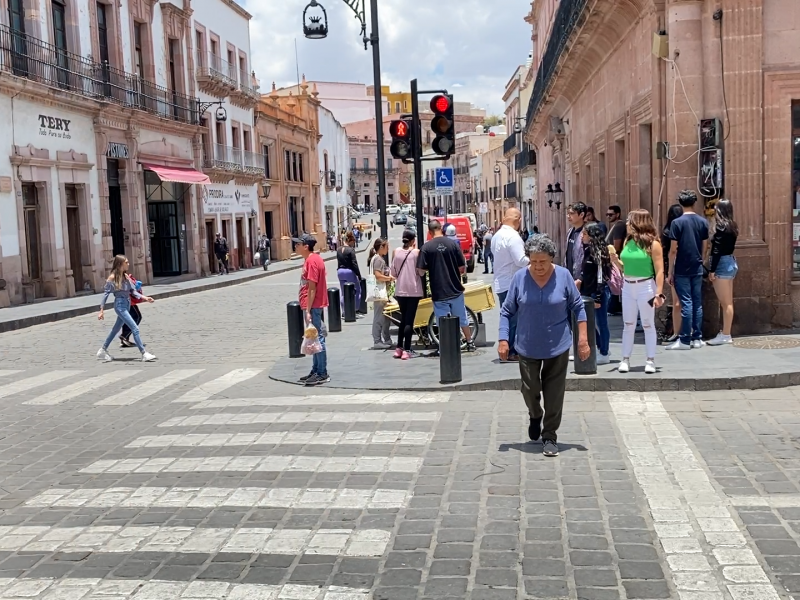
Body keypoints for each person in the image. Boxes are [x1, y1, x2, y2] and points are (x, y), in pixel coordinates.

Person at [498, 234, 590, 457]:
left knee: (554, 393)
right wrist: (503, 339)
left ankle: (549, 435)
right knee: (529, 389)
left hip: (557, 344)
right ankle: (535, 414)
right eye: (533, 261)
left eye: (543, 261)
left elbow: (578, 307)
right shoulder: (520, 278)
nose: (538, 266)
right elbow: (507, 311)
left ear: (552, 258)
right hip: (527, 345)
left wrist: (583, 340)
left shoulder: (564, 276)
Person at [610, 209, 665, 374]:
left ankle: (650, 360)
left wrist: (659, 293)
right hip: (628, 286)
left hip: (646, 286)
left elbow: (660, 270)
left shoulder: (653, 244)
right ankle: (625, 358)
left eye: (630, 221)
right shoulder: (628, 241)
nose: (627, 224)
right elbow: (625, 268)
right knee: (628, 324)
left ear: (638, 223)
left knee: (648, 324)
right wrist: (615, 261)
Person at [417, 220, 475, 352]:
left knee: (442, 321)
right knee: (462, 317)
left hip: (439, 290)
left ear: (430, 232)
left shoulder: (426, 248)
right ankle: (470, 342)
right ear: (441, 229)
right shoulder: (453, 244)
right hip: (455, 287)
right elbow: (462, 268)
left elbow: (420, 271)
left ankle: (444, 346)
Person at [667, 190, 709, 351]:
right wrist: (702, 259)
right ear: (694, 202)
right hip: (697, 266)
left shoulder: (676, 223)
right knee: (697, 302)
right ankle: (697, 337)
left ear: (681, 203)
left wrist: (670, 271)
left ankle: (685, 339)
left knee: (686, 302)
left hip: (682, 267)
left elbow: (673, 250)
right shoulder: (702, 221)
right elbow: (705, 244)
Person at [97, 255, 156, 363]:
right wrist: (101, 311)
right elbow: (105, 294)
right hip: (120, 306)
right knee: (135, 328)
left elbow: (133, 292)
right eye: (126, 262)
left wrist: (145, 298)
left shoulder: (126, 277)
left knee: (115, 330)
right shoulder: (112, 277)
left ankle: (102, 350)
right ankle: (144, 353)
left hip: (127, 304)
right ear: (120, 264)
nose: (128, 264)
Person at [491, 208, 530, 362]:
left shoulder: (497, 235)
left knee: (507, 316)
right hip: (512, 283)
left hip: (501, 281)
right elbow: (520, 260)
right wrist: (538, 260)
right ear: (518, 220)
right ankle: (512, 350)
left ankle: (507, 348)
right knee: (514, 319)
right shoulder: (513, 237)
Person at [295, 234, 329, 386]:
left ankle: (322, 372)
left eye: (298, 244)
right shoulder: (312, 259)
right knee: (313, 338)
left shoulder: (312, 261)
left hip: (313, 305)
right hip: (312, 305)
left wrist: (308, 309)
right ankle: (316, 369)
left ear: (305, 246)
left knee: (317, 338)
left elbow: (312, 288)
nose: (295, 246)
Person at [707, 199, 738, 345]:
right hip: (730, 261)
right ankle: (725, 332)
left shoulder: (721, 227)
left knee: (725, 303)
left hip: (722, 264)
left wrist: (712, 270)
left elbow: (716, 250)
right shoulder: (732, 226)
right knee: (728, 303)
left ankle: (726, 335)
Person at [580, 224, 612, 365]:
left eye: (585, 234)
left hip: (597, 293)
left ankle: (604, 352)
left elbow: (601, 276)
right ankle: (601, 346)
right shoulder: (587, 250)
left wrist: (598, 296)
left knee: (601, 323)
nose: (582, 237)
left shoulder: (598, 252)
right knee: (589, 323)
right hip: (588, 292)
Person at [391, 229, 424, 360]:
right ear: (412, 241)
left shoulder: (397, 252)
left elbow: (393, 273)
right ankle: (407, 349)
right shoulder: (416, 253)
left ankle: (399, 348)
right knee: (409, 320)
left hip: (400, 290)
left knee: (403, 319)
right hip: (413, 290)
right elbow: (421, 272)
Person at [662, 204, 684, 341]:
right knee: (689, 301)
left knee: (677, 302)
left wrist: (668, 272)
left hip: (674, 266)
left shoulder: (667, 232)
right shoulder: (686, 228)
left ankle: (677, 333)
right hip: (690, 265)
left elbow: (669, 252)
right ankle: (691, 332)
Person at [368, 238, 395, 349]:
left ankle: (386, 339)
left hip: (382, 292)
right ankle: (377, 341)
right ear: (381, 247)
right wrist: (389, 278)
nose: (388, 249)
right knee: (379, 317)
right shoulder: (378, 259)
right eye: (387, 247)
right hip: (379, 292)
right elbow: (378, 276)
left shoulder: (378, 258)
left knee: (386, 317)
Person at [605, 205, 627, 316]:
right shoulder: (616, 225)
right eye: (607, 214)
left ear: (617, 214)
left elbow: (616, 246)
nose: (608, 216)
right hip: (614, 260)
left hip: (615, 259)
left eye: (611, 214)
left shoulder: (619, 225)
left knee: (615, 283)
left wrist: (610, 254)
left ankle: (613, 307)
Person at [337, 232, 362, 316]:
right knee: (357, 290)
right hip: (349, 271)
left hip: (340, 271)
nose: (353, 244)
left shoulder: (339, 249)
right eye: (353, 242)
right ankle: (355, 309)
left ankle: (344, 311)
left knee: (343, 292)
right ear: (350, 241)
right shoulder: (351, 250)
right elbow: (354, 263)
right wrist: (358, 275)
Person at [119, 273, 144, 348]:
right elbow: (131, 289)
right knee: (137, 317)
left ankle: (125, 338)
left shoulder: (122, 274)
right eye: (126, 262)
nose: (128, 264)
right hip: (129, 301)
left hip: (125, 301)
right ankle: (124, 336)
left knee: (127, 319)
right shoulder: (122, 275)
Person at [565, 202, 587, 283]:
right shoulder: (570, 231)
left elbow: (590, 257)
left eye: (571, 213)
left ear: (581, 215)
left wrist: (581, 278)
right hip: (570, 277)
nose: (568, 216)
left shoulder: (586, 233)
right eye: (568, 213)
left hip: (582, 281)